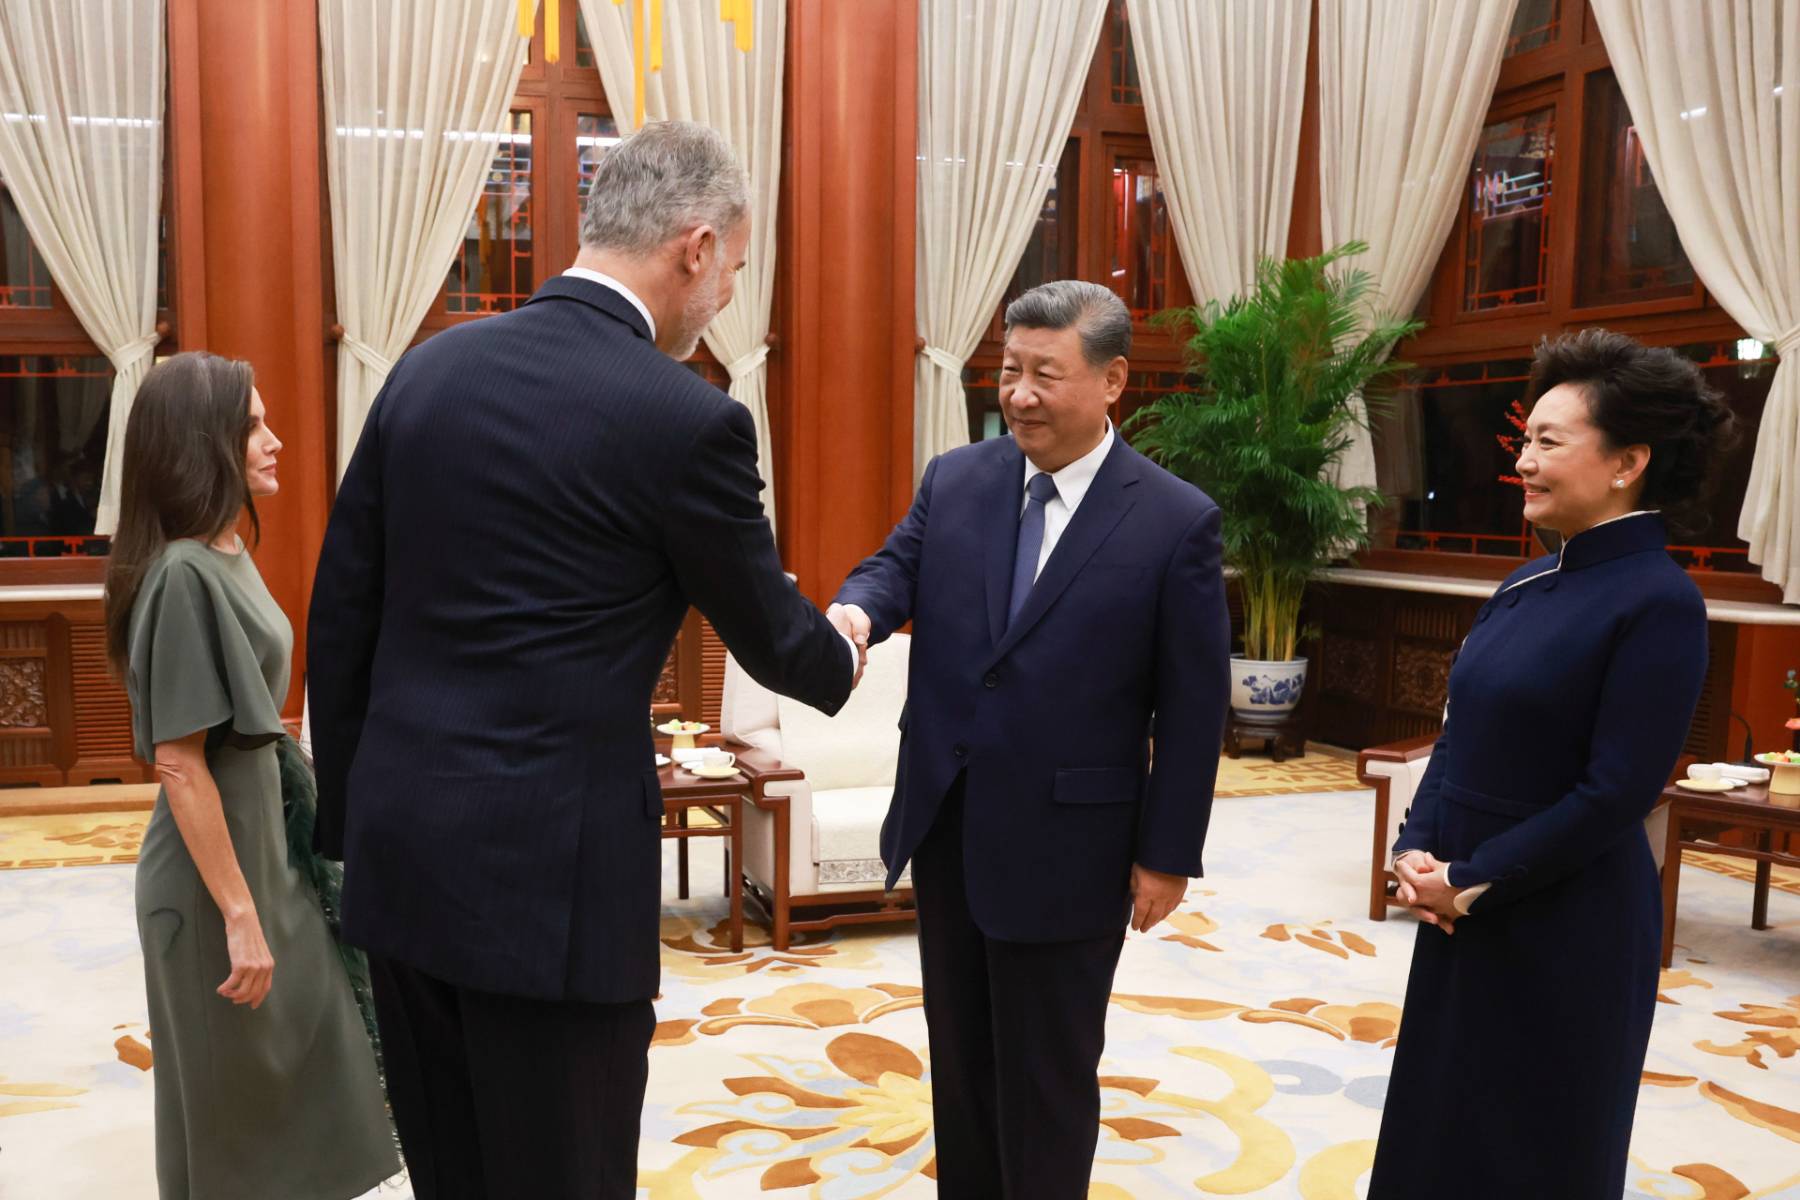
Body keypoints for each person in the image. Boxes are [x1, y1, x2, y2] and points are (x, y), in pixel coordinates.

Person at [306, 121, 860, 1200]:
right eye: (737, 269)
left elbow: (344, 615)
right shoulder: (687, 421)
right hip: (550, 893)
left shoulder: (427, 371)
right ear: (694, 248)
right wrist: (848, 641)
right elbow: (774, 637)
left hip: (404, 858)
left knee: (452, 1171)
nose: (730, 301)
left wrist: (354, 823)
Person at [828, 280, 1231, 1199]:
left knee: (1047, 1076)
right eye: (1009, 371)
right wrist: (856, 612)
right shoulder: (959, 478)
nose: (1018, 394)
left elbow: (1195, 705)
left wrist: (1167, 856)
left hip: (1072, 846)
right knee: (962, 1064)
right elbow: (896, 566)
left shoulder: (1174, 520)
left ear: (1112, 379)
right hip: (950, 824)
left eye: (1046, 374)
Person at [1368, 330, 1736, 1200]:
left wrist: (1472, 878)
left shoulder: (1662, 603)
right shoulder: (1524, 585)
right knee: (1439, 1132)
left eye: (1548, 442)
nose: (1525, 462)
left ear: (1628, 462)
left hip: (1567, 924)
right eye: (1524, 441)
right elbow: (1456, 734)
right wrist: (1414, 854)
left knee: (1534, 1149)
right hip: (1463, 907)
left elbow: (1618, 791)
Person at [103, 352, 396, 1199]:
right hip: (212, 884)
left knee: (315, 1077)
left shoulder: (225, 547)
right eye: (253, 426)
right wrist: (239, 913)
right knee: (239, 1126)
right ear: (206, 445)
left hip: (267, 856)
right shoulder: (184, 574)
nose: (273, 440)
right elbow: (180, 764)